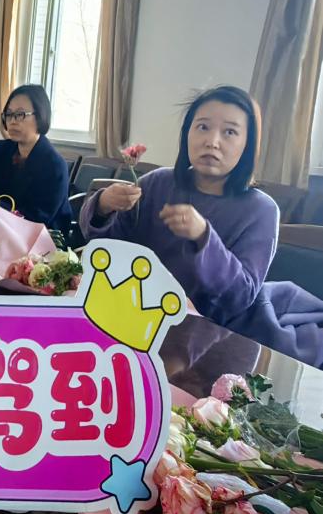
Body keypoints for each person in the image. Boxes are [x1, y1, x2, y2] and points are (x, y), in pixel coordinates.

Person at [81, 85, 323, 366]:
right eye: (203, 127)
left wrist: (204, 237)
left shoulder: (261, 210)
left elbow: (240, 297)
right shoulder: (156, 183)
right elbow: (111, 251)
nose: (212, 141)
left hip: (210, 342)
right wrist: (103, 206)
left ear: (248, 145)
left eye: (229, 132)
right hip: (133, 321)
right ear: (188, 133)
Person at [0, 84, 72, 231]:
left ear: (40, 116)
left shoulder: (54, 166)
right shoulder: (0, 150)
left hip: (41, 238)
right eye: (8, 114)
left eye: (20, 114)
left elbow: (37, 218)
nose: (12, 121)